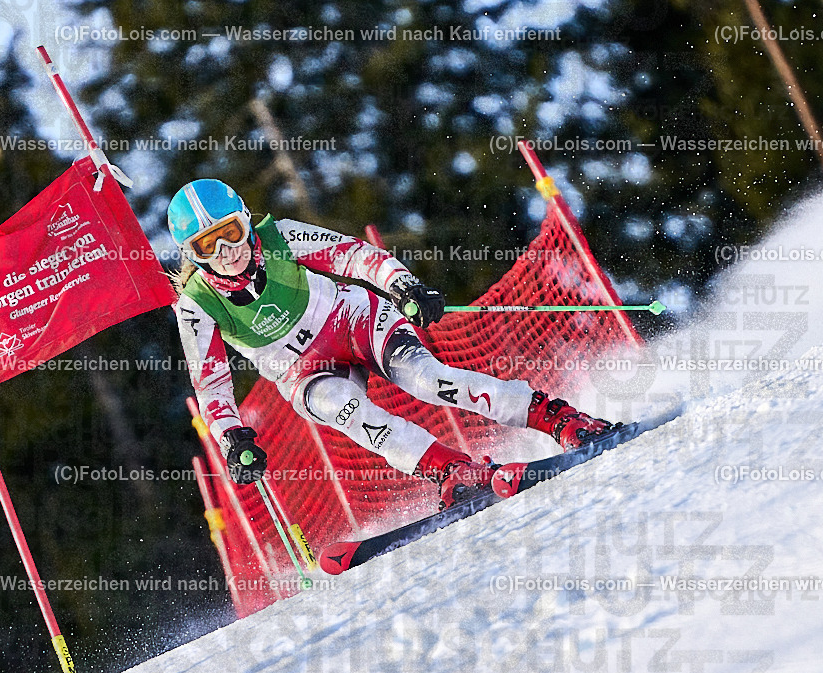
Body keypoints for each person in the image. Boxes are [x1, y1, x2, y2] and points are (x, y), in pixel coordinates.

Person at [169, 179, 618, 510]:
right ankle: (452, 470)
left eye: (229, 232)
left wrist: (403, 287)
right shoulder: (197, 307)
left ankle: (559, 418)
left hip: (352, 320)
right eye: (208, 246)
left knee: (429, 380)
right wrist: (231, 436)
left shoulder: (280, 235)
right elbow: (211, 384)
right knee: (346, 410)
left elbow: (354, 255)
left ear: (245, 221)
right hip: (303, 372)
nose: (227, 251)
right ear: (193, 255)